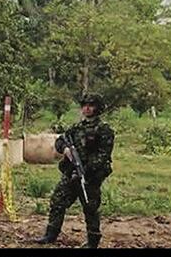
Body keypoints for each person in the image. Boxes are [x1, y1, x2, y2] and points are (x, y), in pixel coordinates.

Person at [35, 94, 114, 248]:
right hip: (72, 173)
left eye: (91, 105)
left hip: (90, 176)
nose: (87, 108)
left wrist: (85, 170)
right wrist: (65, 149)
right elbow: (60, 140)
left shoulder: (104, 129)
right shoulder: (77, 128)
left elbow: (104, 155)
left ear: (98, 108)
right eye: (85, 105)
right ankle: (50, 235)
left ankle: (93, 241)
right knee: (58, 200)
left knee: (90, 207)